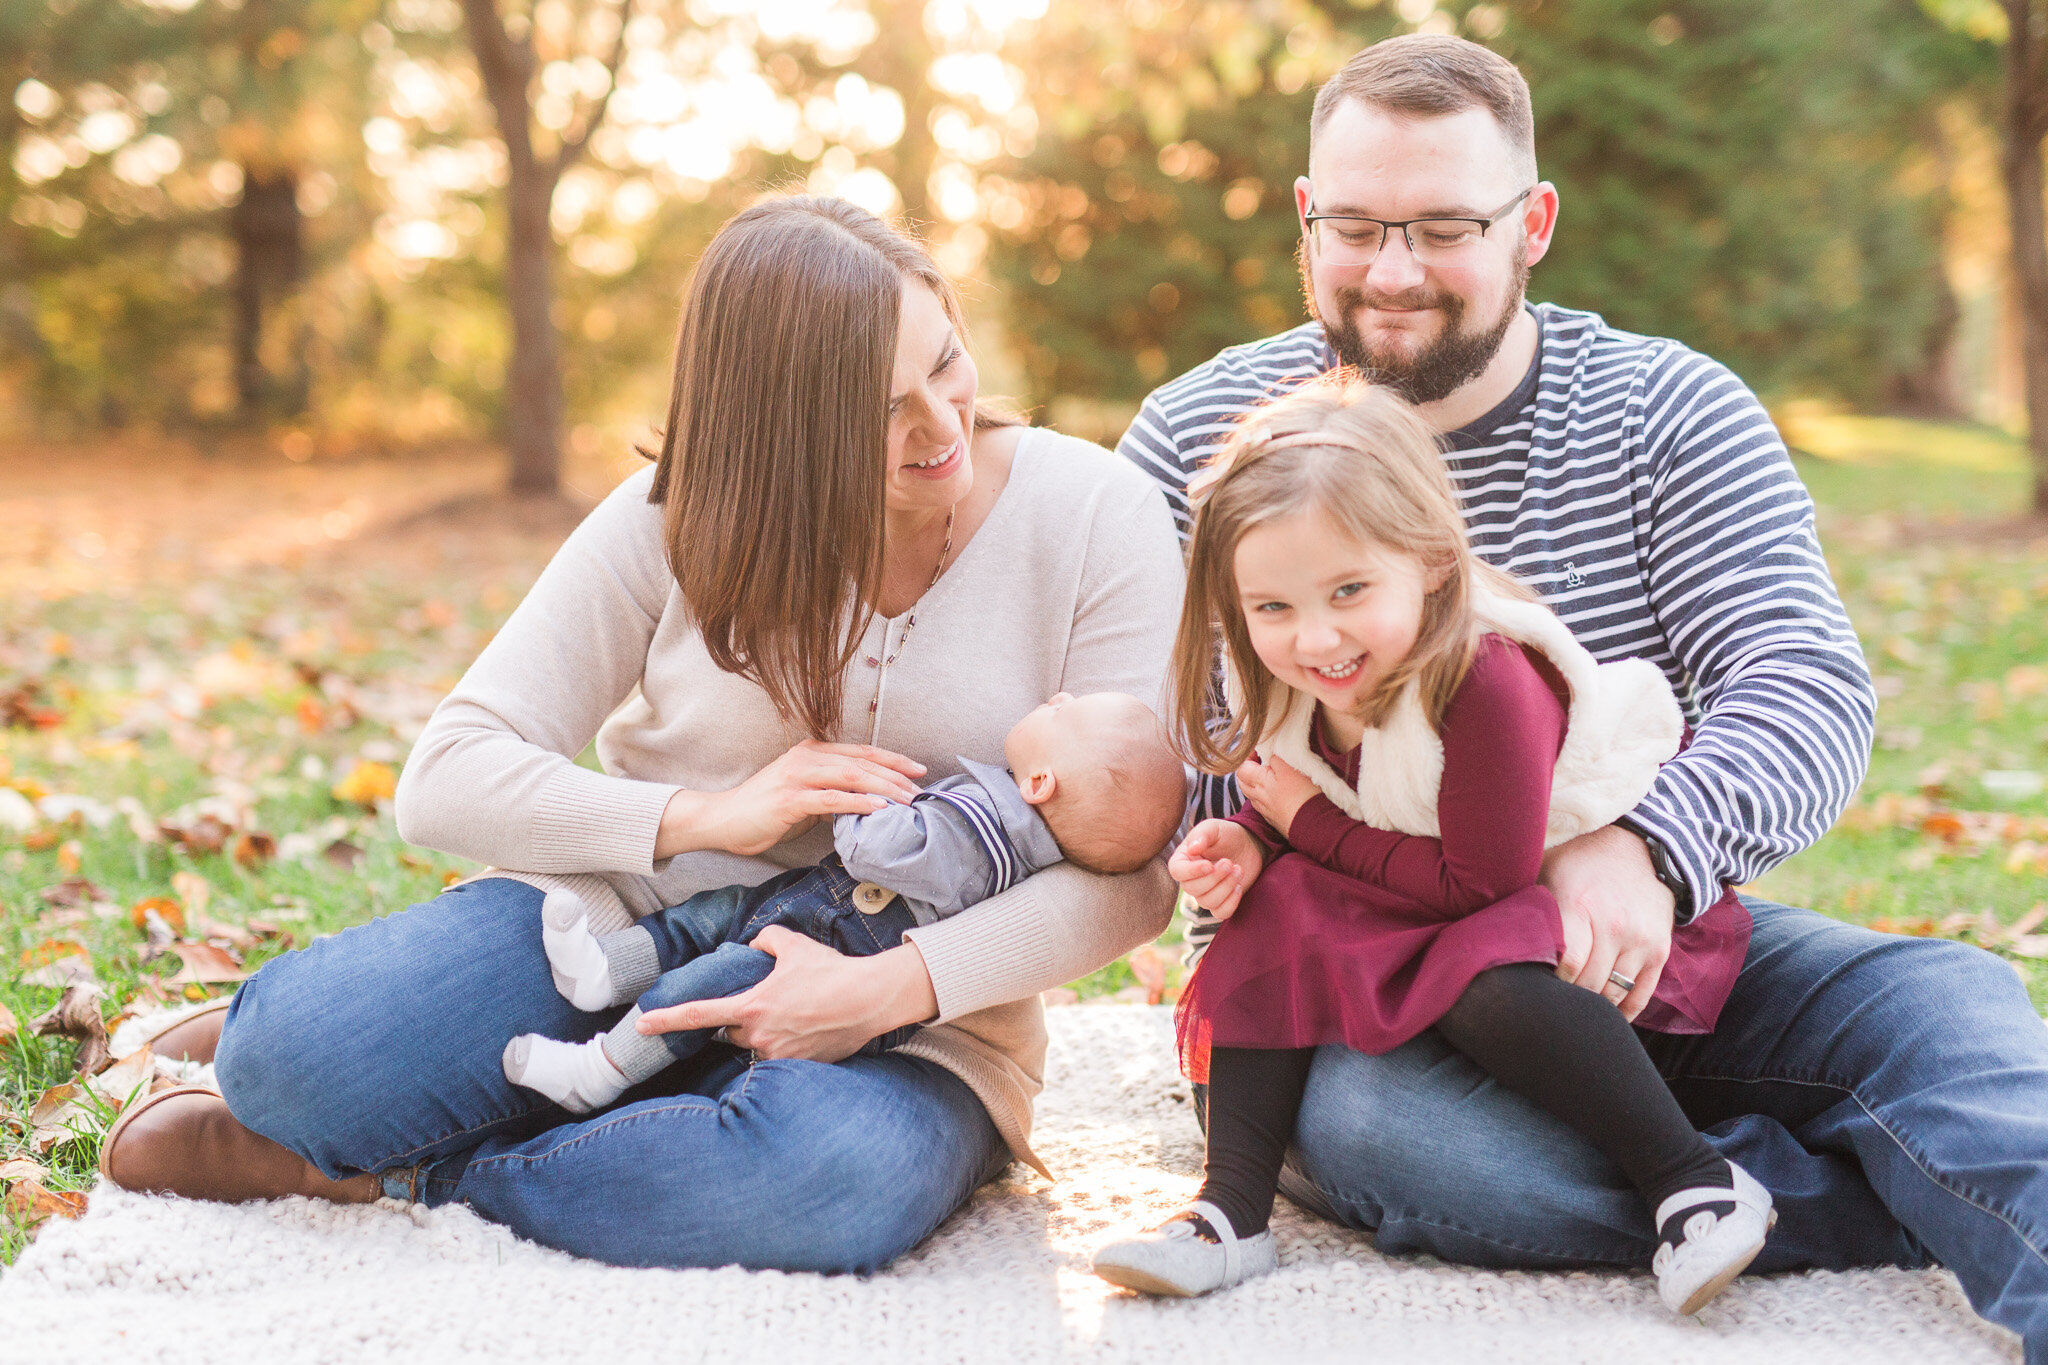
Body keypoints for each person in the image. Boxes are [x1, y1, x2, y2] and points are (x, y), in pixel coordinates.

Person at [1119, 32, 2048, 1351]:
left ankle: (1897, 1191)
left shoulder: (1667, 410)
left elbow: (1806, 683)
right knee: (1410, 1144)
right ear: (1303, 221)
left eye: (1443, 226)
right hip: (1350, 991)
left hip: (1630, 933)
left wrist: (1647, 852)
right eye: (1357, 226)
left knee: (1937, 1007)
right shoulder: (1196, 445)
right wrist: (1209, 839)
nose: (1393, 271)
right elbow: (1157, 746)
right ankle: (1798, 1193)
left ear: (1533, 222)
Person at [97, 195, 1186, 1273]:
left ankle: (407, 1170)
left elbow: (1135, 868)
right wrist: (704, 815)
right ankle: (509, 1113)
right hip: (617, 939)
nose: (941, 428)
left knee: (823, 1183)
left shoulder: (1093, 515)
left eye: (945, 365)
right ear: (773, 429)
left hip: (914, 1020)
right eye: (879, 410)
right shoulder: (673, 517)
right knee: (293, 1060)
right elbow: (448, 773)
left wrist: (891, 988)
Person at [1091, 377, 1771, 1312]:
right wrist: (1251, 841)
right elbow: (1316, 788)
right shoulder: (1301, 673)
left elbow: (1476, 884)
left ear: (1434, 564)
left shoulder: (1486, 676)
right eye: (1273, 607)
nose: (1315, 634)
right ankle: (1230, 1209)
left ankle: (1690, 1179)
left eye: (1349, 590)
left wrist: (1302, 827)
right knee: (1275, 909)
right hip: (1430, 899)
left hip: (1551, 922)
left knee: (1479, 978)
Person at [506, 691, 1185, 1113]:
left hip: (823, 943)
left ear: (1039, 781)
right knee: (710, 915)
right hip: (813, 909)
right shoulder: (1012, 823)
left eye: (1066, 711)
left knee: (701, 986)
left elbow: (876, 854)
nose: (1059, 694)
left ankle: (597, 1070)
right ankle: (602, 968)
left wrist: (860, 798)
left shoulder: (981, 835)